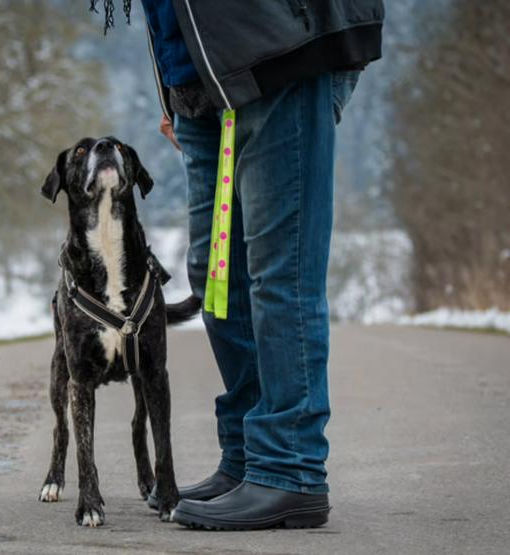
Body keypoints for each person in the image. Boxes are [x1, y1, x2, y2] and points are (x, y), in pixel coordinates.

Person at [92, 0, 384, 530]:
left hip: (278, 57)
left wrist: (342, 55)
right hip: (203, 87)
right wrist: (177, 89)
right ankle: (249, 457)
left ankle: (289, 467)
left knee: (281, 275)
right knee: (215, 278)